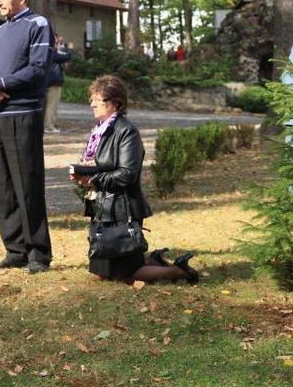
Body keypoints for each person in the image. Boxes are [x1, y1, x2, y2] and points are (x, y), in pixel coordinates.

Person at [70, 75, 198, 284]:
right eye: (91, 99)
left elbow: (127, 174)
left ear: (115, 103)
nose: (91, 104)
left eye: (97, 99)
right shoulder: (100, 131)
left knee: (126, 276)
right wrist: (84, 175)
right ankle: (154, 262)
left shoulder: (127, 132)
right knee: (100, 274)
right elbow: (101, 165)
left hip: (123, 209)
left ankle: (180, 271)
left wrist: (95, 180)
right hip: (104, 207)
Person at [0, 0, 53, 274]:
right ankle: (15, 249)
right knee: (1, 187)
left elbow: (38, 69)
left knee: (27, 186)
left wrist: (2, 84)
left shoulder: (38, 25)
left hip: (23, 116)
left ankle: (38, 254)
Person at [43, 38, 73, 134]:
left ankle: (43, 125)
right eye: (56, 42)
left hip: (45, 82)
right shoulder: (51, 53)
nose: (58, 44)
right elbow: (67, 57)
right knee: (52, 106)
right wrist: (70, 49)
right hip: (54, 83)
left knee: (44, 106)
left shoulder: (44, 52)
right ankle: (49, 127)